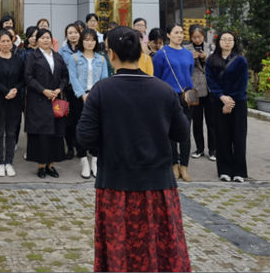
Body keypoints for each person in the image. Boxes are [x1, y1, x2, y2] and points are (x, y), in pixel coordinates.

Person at [77, 27, 191, 273]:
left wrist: (108, 146)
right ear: (140, 53)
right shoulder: (164, 90)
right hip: (158, 184)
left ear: (111, 54)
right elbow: (181, 134)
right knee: (159, 248)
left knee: (119, 252)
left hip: (115, 184)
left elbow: (85, 137)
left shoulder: (101, 91)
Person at [153, 24, 195, 182]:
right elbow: (157, 77)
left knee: (186, 131)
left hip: (187, 96)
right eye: (176, 32)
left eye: (181, 33)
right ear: (168, 35)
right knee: (170, 132)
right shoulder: (161, 54)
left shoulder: (188, 54)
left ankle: (184, 165)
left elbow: (189, 73)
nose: (180, 35)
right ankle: (173, 164)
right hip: (168, 96)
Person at [206, 31, 249, 183]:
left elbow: (242, 83)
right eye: (224, 39)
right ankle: (224, 170)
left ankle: (239, 171)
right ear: (218, 42)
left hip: (238, 103)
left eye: (230, 40)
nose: (227, 42)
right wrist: (222, 97)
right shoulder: (211, 60)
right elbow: (210, 81)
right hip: (219, 102)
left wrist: (230, 102)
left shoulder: (241, 60)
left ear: (234, 42)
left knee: (239, 137)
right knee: (222, 137)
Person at [25, 28, 68, 178]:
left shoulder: (57, 56)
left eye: (48, 37)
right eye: (42, 37)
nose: (45, 40)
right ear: (37, 40)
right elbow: (28, 77)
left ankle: (51, 165)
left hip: (55, 99)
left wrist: (59, 89)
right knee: (41, 135)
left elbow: (65, 76)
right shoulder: (32, 56)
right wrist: (43, 90)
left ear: (52, 40)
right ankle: (41, 166)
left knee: (55, 134)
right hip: (39, 99)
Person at [66, 28, 109, 179]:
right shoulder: (74, 58)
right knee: (79, 127)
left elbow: (104, 78)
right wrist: (82, 94)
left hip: (96, 97)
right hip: (78, 97)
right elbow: (72, 78)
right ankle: (83, 159)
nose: (89, 43)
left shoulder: (101, 59)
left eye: (92, 40)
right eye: (86, 39)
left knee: (97, 127)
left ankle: (95, 160)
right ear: (82, 41)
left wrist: (94, 94)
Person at [0, 29, 25, 177]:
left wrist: (15, 89)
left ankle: (9, 162)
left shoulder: (18, 59)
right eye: (2, 41)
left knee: (11, 132)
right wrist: (5, 91)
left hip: (14, 100)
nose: (6, 43)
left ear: (12, 42)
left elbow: (23, 79)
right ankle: (0, 163)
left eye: (8, 41)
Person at [185, 24, 216, 161]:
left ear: (203, 36)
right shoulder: (186, 49)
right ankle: (199, 149)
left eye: (199, 37)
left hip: (210, 89)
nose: (197, 40)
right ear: (190, 37)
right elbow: (184, 66)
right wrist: (190, 59)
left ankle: (213, 150)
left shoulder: (211, 47)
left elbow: (216, 64)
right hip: (193, 89)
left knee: (212, 121)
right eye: (194, 37)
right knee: (196, 121)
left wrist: (205, 57)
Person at [58, 22, 82, 160]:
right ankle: (70, 148)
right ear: (66, 35)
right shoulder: (62, 51)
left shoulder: (84, 49)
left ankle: (80, 147)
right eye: (70, 33)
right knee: (68, 121)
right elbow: (60, 70)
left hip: (81, 90)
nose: (73, 35)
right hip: (67, 90)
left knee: (80, 119)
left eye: (75, 32)